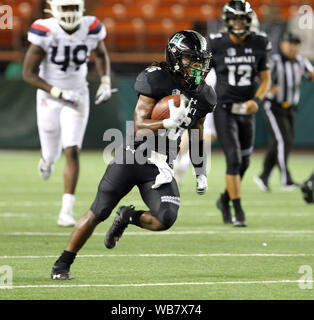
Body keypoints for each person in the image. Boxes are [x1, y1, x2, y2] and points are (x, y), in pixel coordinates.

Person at [50, 30, 216, 280]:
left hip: (160, 165)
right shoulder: (156, 79)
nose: (196, 66)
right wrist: (166, 124)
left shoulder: (204, 93)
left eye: (200, 60)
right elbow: (139, 125)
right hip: (132, 156)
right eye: (190, 59)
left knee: (165, 218)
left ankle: (128, 216)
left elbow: (197, 132)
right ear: (175, 58)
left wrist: (200, 170)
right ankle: (62, 263)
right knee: (99, 211)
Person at [23, 0, 113, 227]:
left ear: (81, 7)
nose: (70, 12)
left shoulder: (91, 26)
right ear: (53, 8)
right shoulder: (45, 30)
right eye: (65, 8)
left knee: (72, 150)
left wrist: (104, 81)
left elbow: (101, 54)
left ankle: (66, 210)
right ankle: (47, 159)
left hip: (77, 94)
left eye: (74, 7)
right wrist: (57, 92)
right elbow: (28, 73)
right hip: (49, 95)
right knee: (52, 152)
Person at [207, 0, 272, 226]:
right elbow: (201, 75)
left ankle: (225, 200)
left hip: (247, 109)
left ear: (249, 21)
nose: (238, 23)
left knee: (244, 162)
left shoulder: (259, 42)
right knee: (233, 160)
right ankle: (238, 211)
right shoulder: (215, 44)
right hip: (224, 109)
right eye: (234, 19)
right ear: (227, 21)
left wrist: (257, 100)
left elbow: (266, 79)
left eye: (242, 19)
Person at [254, 32, 314, 192]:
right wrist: (269, 86)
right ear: (282, 45)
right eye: (290, 43)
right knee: (283, 140)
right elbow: (260, 76)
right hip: (274, 106)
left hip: (291, 108)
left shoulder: (301, 61)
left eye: (296, 44)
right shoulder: (274, 61)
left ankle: (264, 176)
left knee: (279, 142)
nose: (293, 47)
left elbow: (311, 74)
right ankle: (286, 179)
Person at [174, 68, 217, 185]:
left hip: (201, 82)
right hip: (214, 83)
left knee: (194, 126)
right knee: (208, 131)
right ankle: (183, 162)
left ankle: (176, 159)